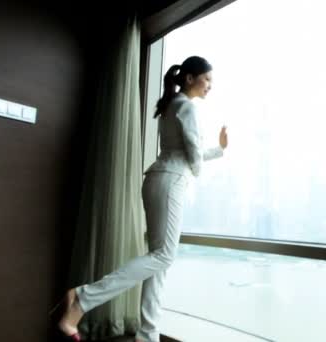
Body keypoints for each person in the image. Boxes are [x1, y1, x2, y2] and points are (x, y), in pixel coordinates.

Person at [50, 56, 228, 342]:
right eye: (207, 79)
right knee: (164, 255)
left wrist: (217, 150)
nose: (211, 86)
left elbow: (183, 151)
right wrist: (197, 170)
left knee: (159, 259)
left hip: (158, 178)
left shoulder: (173, 105)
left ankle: (147, 335)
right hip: (171, 183)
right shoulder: (188, 108)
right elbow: (192, 155)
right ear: (190, 78)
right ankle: (82, 298)